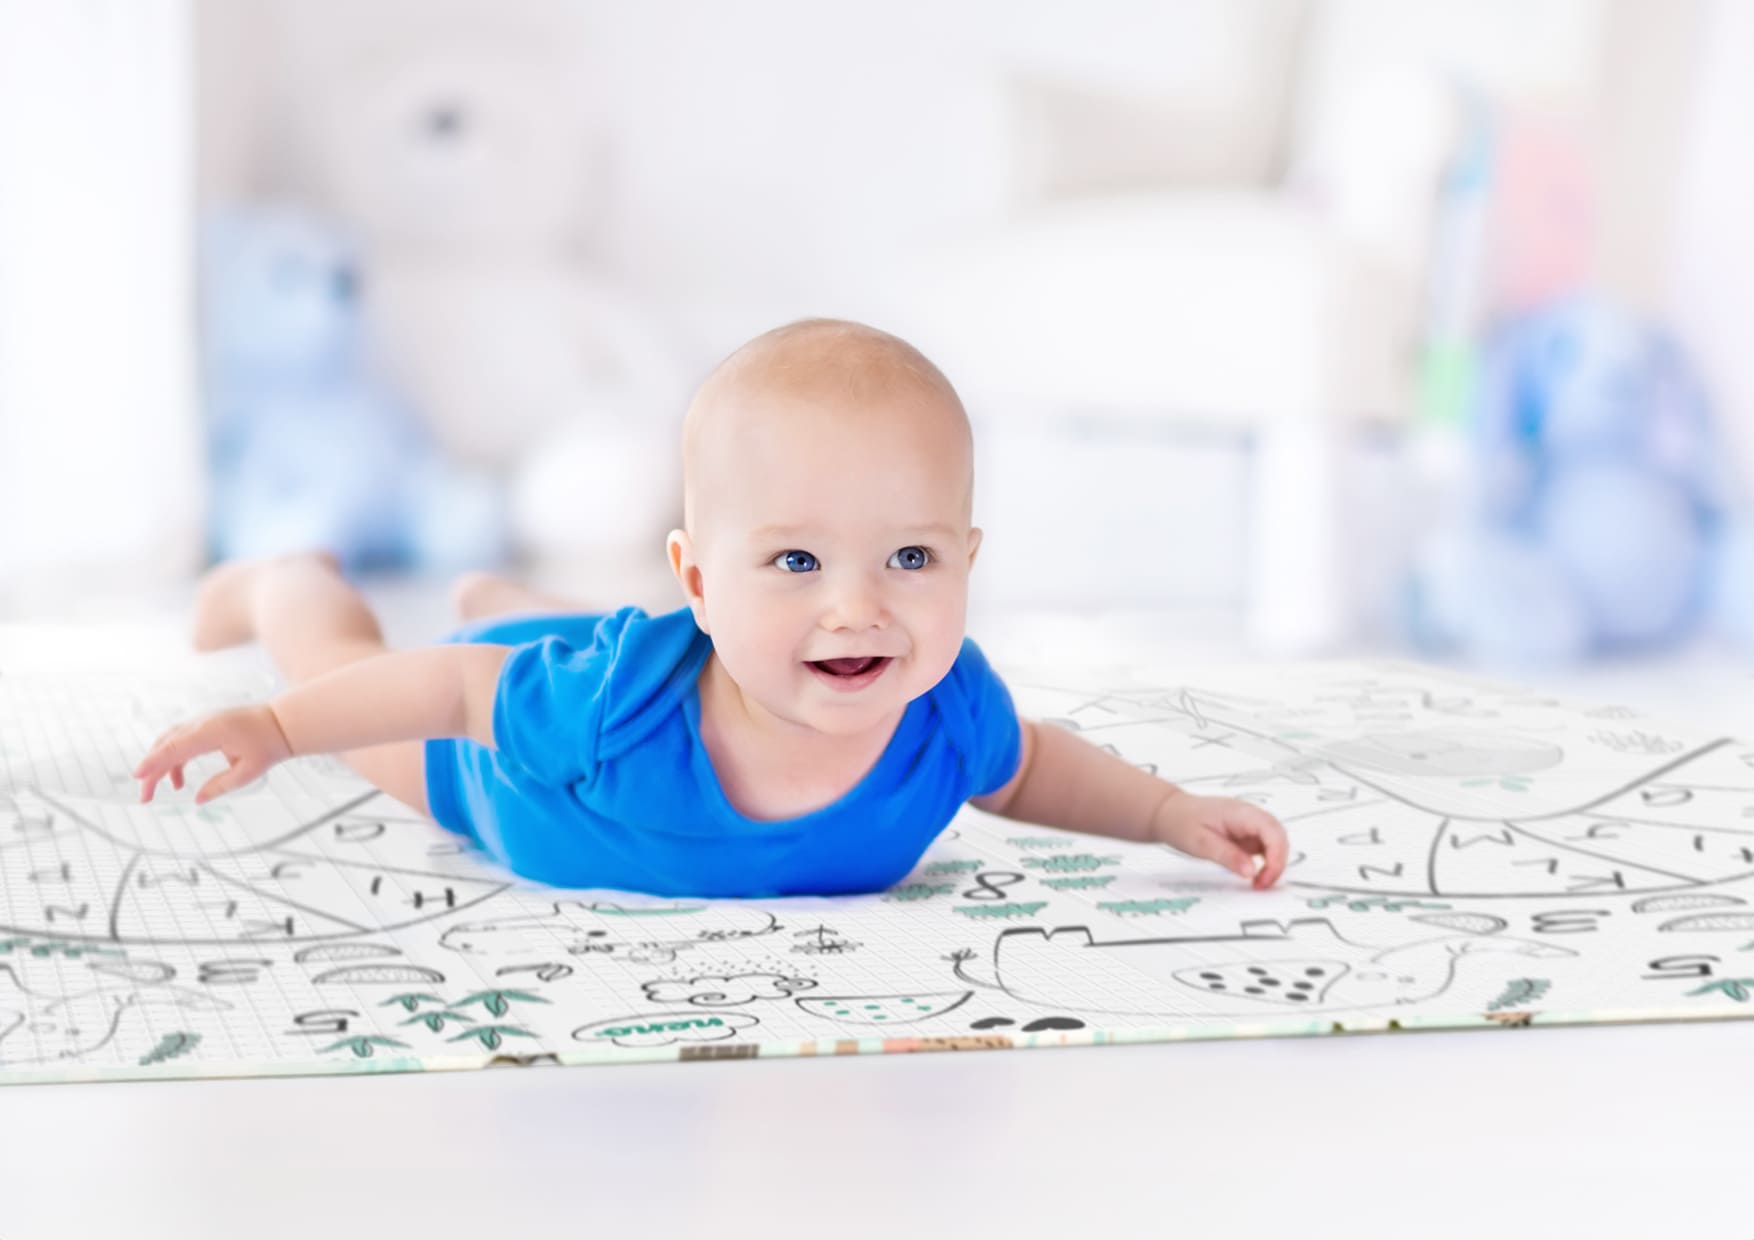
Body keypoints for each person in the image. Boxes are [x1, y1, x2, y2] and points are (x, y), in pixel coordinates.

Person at [135, 319, 1289, 898]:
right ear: (694, 576)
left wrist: (1163, 813)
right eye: (794, 560)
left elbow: (1029, 768)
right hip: (502, 764)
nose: (857, 609)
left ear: (967, 557)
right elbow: (446, 690)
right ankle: (287, 582)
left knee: (606, 638)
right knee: (350, 660)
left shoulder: (944, 711)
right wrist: (278, 729)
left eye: (907, 556)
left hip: (625, 652)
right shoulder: (605, 709)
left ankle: (524, 598)